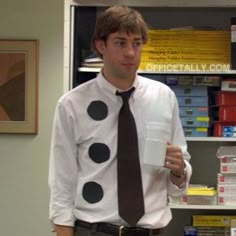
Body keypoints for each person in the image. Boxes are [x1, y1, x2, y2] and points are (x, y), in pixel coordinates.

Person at [49, 5, 192, 236]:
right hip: (95, 230)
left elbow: (179, 178)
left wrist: (179, 172)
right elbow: (61, 185)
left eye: (137, 43)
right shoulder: (72, 105)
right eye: (120, 42)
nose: (130, 53)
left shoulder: (163, 97)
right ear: (100, 45)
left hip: (152, 230)